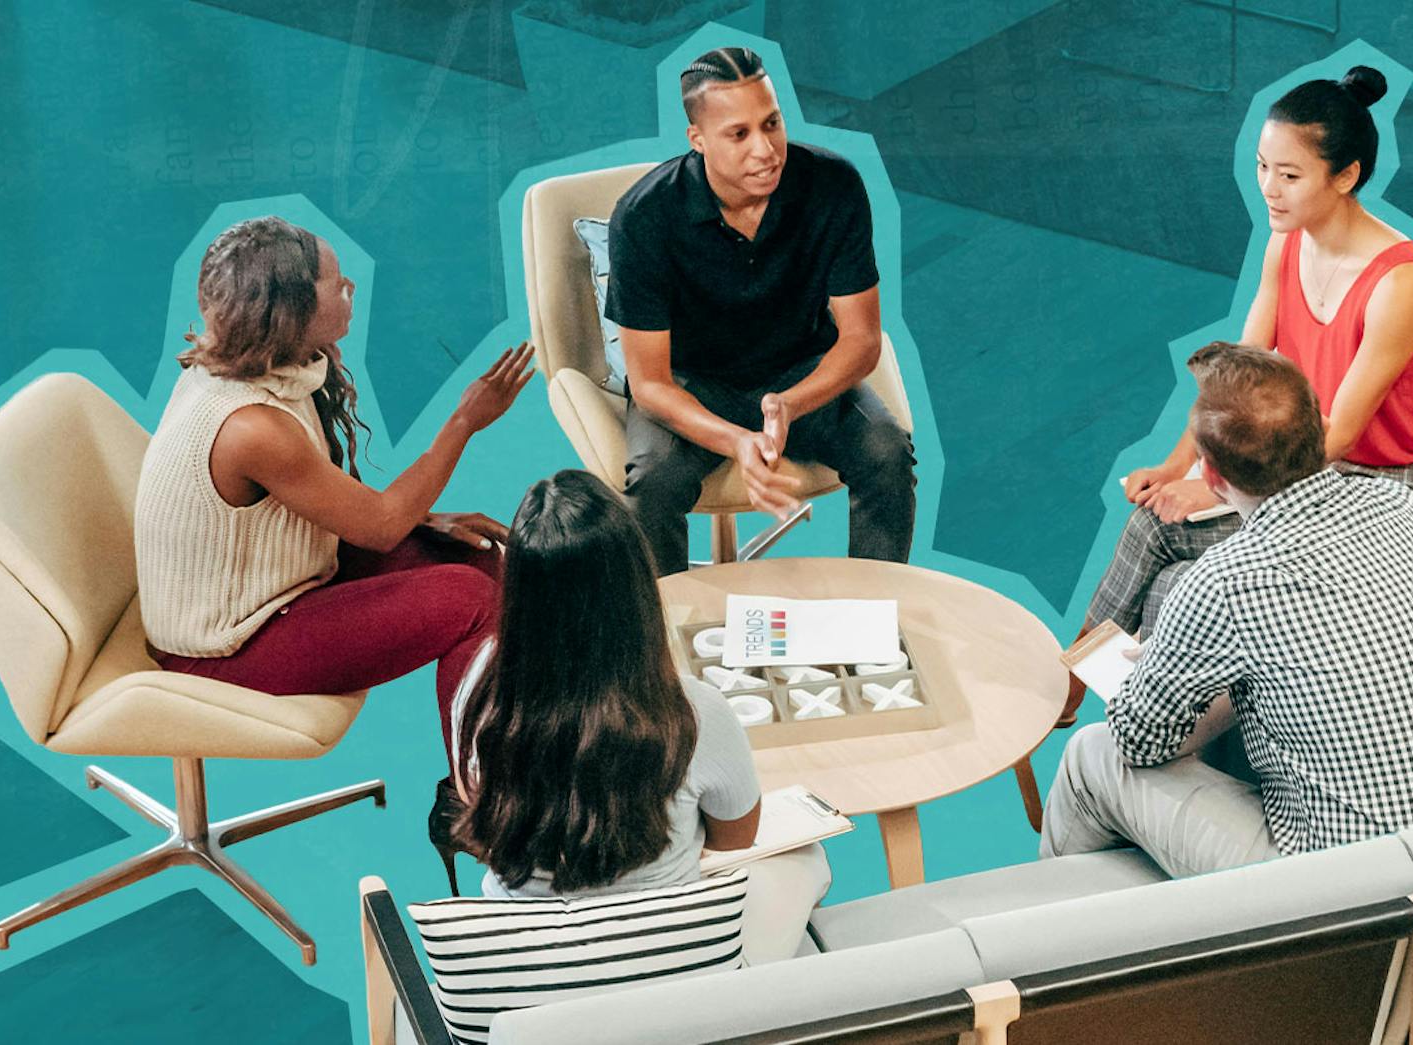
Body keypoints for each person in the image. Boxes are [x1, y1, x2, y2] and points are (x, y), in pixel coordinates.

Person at [1042, 343, 1413, 878]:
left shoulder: (1223, 582)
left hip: (1352, 893)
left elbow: (1140, 741)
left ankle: (1055, 937)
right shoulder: (1406, 508)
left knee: (1091, 758)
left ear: (1211, 478)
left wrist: (1167, 669)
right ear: (1322, 427)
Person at [1062, 65, 1413, 725]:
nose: (1269, 189)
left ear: (1347, 175)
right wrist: (1174, 466)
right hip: (1293, 460)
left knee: (1183, 588)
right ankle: (1068, 689)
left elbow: (1337, 437)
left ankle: (1144, 731)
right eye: (1262, 166)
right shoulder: (1286, 240)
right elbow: (1236, 382)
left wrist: (1216, 487)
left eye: (1291, 175)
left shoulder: (1400, 283)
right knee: (1153, 518)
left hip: (1379, 488)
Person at [135, 215, 533, 781]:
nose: (349, 288)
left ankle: (507, 772)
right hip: (220, 648)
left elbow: (332, 505)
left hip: (272, 584)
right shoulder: (252, 426)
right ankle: (487, 806)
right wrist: (465, 421)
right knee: (468, 598)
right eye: (334, 281)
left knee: (479, 560)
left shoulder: (261, 370)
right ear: (287, 306)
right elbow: (381, 527)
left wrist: (428, 519)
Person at [451, 470, 830, 963]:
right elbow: (735, 837)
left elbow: (478, 800)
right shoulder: (694, 711)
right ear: (636, 588)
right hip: (668, 969)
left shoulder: (480, 690)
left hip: (532, 964)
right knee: (806, 860)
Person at [607, 46, 916, 575]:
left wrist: (789, 405)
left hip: (802, 372)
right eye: (739, 134)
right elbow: (651, 382)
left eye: (771, 123)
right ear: (697, 140)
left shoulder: (833, 185)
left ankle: (875, 619)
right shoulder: (643, 217)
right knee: (653, 482)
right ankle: (661, 635)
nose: (766, 150)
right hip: (693, 382)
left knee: (888, 454)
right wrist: (738, 440)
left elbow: (862, 339)